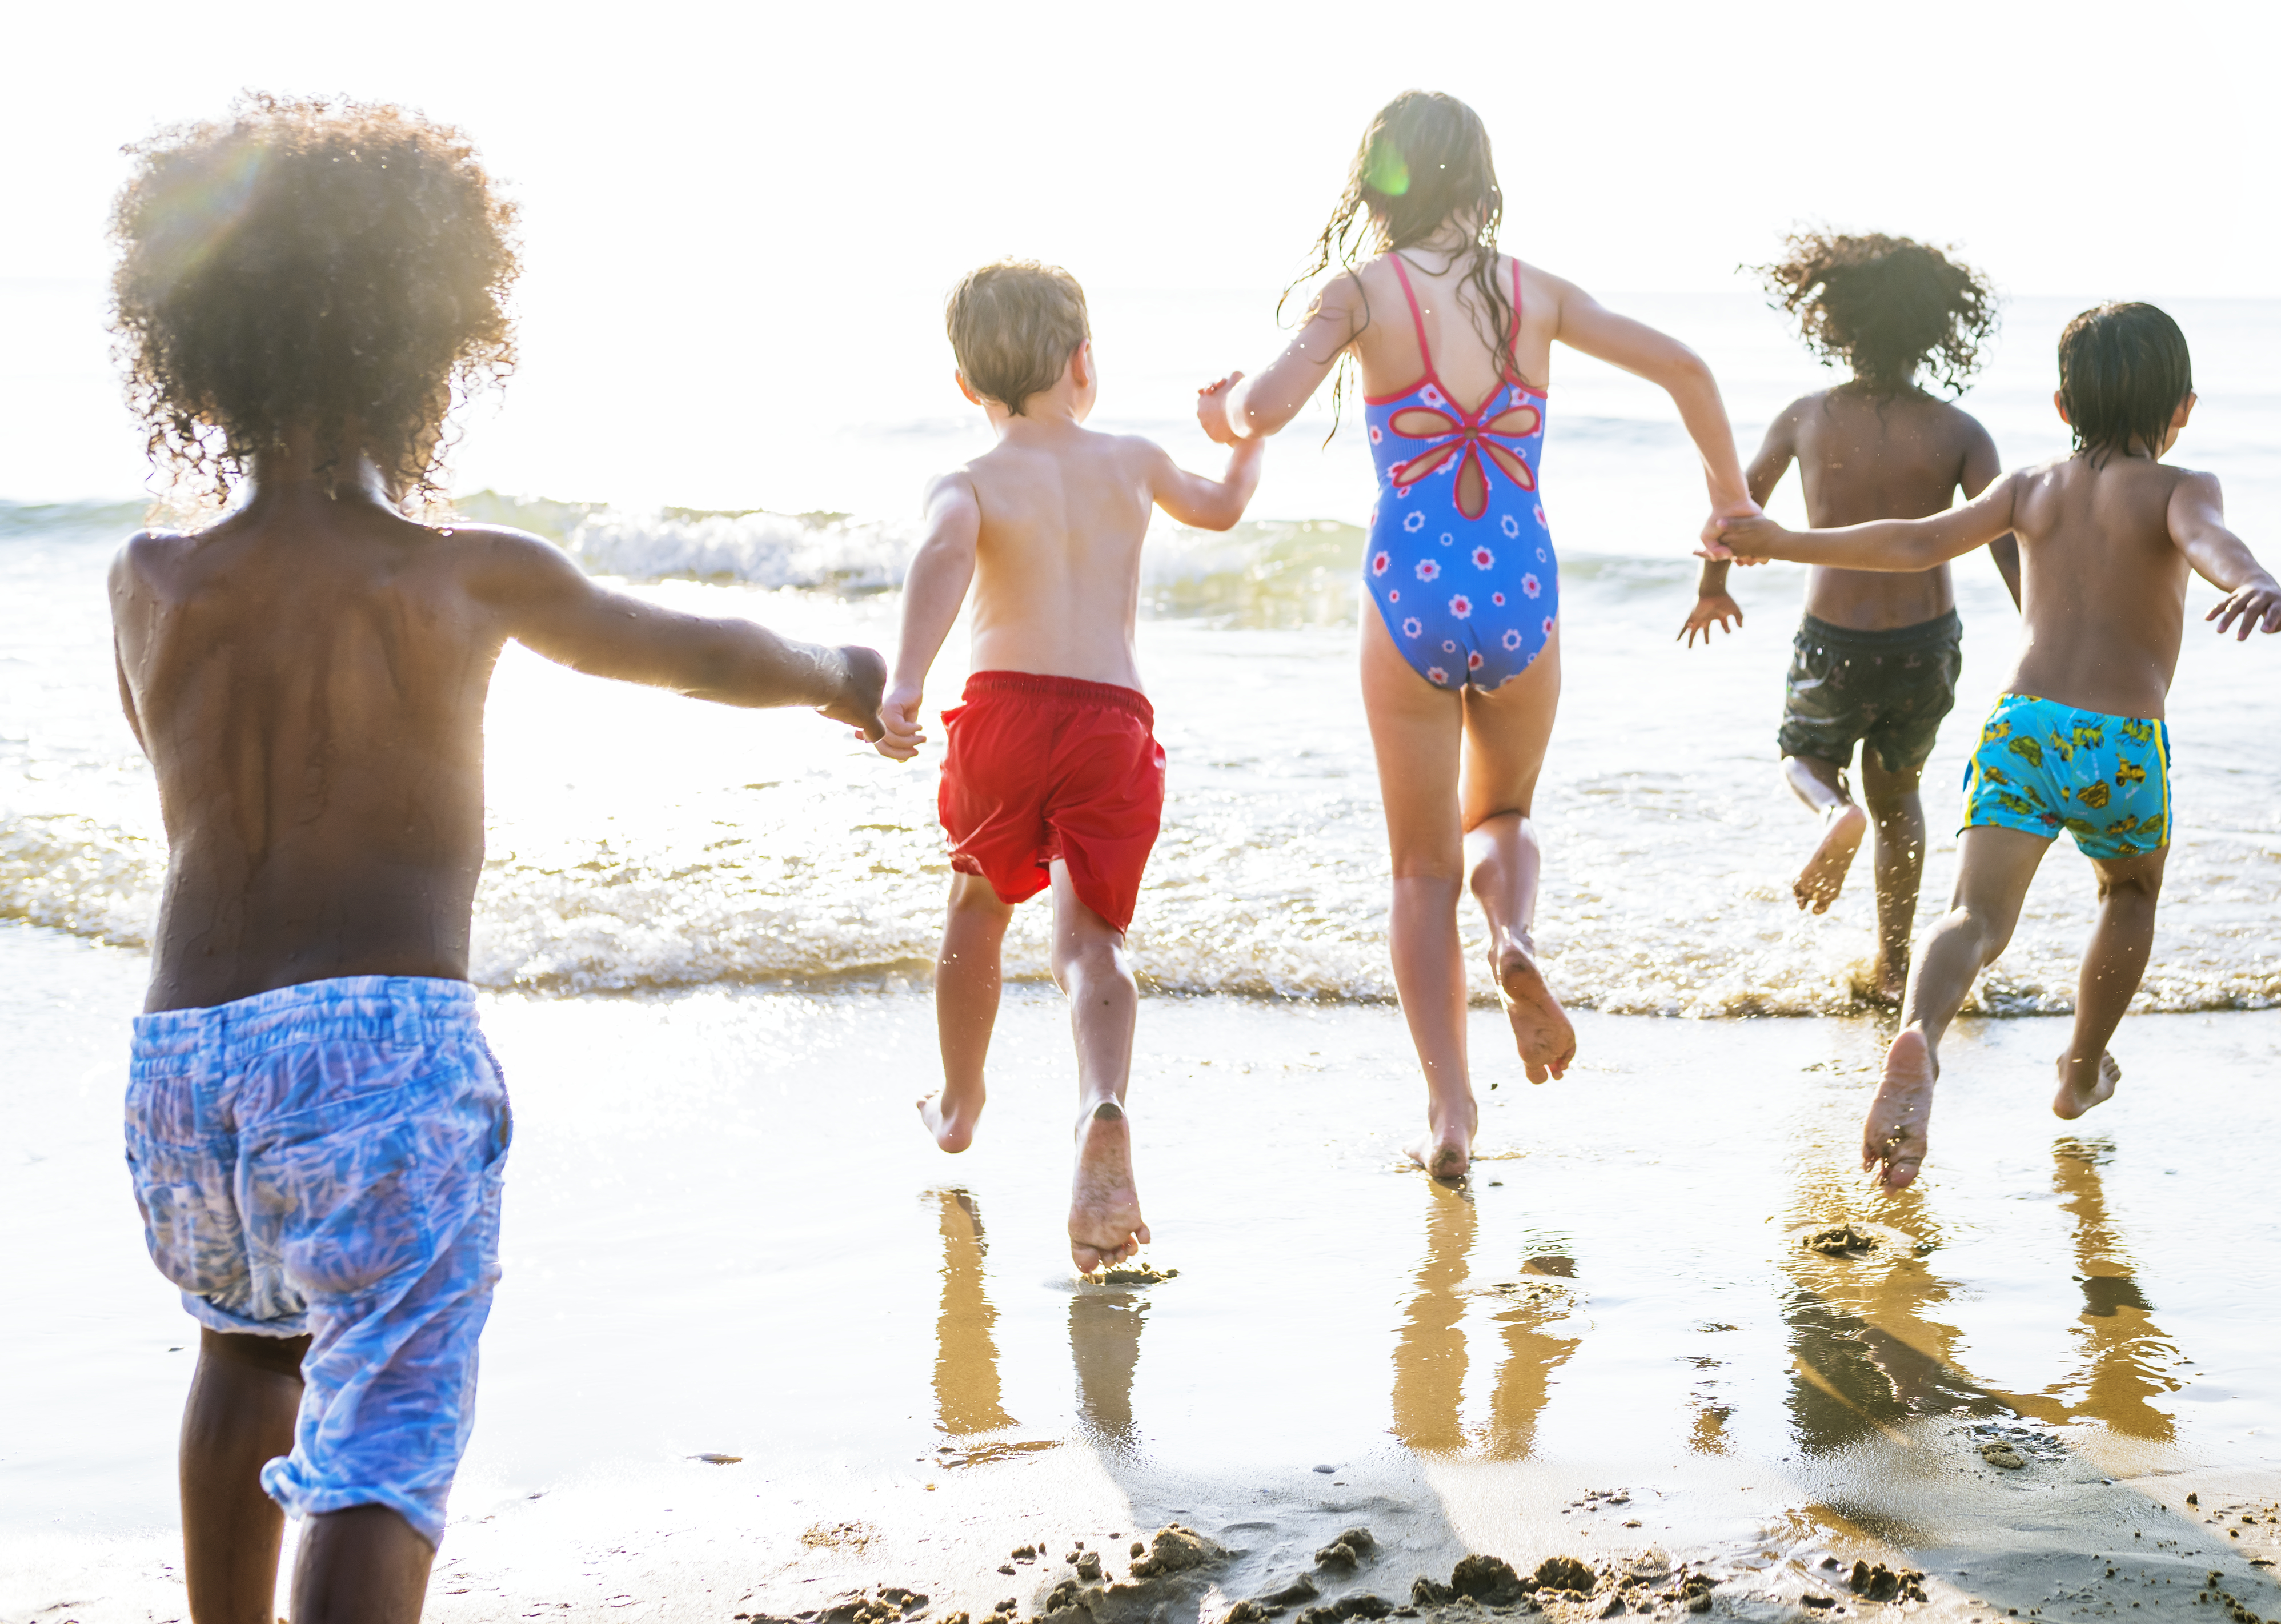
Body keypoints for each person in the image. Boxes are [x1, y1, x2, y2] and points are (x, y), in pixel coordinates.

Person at [104, 98, 885, 1624]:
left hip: (180, 1069)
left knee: (240, 1350)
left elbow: (183, 781)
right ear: (430, 348)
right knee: (380, 1447)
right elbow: (698, 651)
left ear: (200, 347)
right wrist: (842, 669)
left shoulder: (148, 581)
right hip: (379, 1053)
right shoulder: (460, 574)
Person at [1198, 90, 1758, 1179]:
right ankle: (1516, 941)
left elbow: (1264, 408)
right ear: (1483, 178)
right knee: (1502, 811)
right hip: (1521, 595)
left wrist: (1220, 416)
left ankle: (1452, 1113)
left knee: (1419, 871)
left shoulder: (1360, 293)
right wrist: (1727, 507)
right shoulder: (1534, 292)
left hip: (1409, 588)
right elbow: (1689, 368)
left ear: (1381, 182)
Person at [1715, 301, 2281, 1190]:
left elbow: (1913, 542)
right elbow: (2210, 543)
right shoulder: (2182, 487)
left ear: (2063, 407)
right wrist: (2251, 578)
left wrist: (1786, 539)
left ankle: (1920, 1037)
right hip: (2121, 742)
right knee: (2129, 891)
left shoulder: (2028, 485)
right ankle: (2079, 1069)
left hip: (2022, 725)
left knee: (1974, 919)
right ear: (2182, 409)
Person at [879, 259, 1264, 1272]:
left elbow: (943, 557)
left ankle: (959, 1108)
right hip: (1111, 717)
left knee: (977, 907)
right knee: (1091, 940)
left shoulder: (967, 480)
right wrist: (1245, 434)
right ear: (1085, 364)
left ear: (969, 387)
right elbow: (1224, 507)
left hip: (1003, 713)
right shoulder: (1134, 459)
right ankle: (1103, 1101)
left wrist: (906, 683)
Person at [1679, 232, 2022, 999]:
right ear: (1941, 329)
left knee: (1802, 756)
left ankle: (1833, 811)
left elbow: (1737, 509)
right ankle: (1895, 965)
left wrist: (1713, 586)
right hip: (1925, 650)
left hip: (1833, 644)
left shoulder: (1808, 416)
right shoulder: (1960, 431)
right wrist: (2042, 625)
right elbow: (2006, 541)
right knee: (1899, 798)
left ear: (1833, 321)